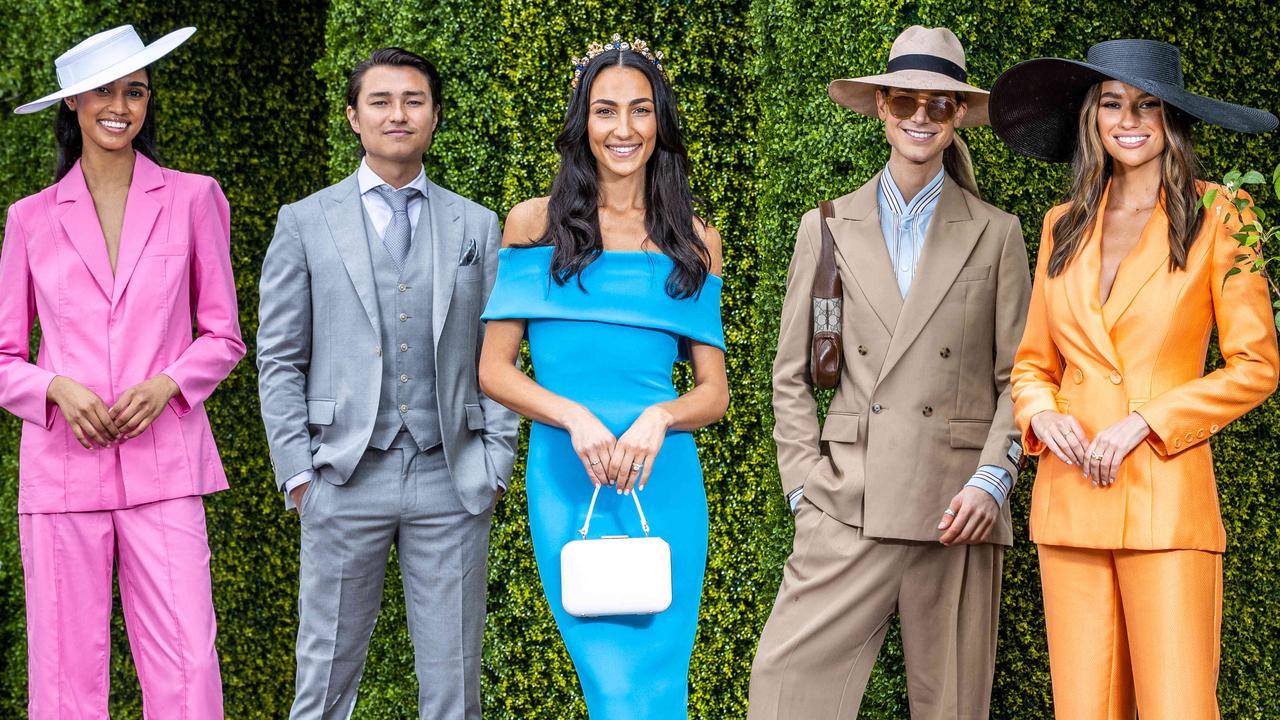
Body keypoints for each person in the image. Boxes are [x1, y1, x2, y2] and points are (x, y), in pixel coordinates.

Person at [749, 26, 1032, 719]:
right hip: (851, 500)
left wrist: (993, 482)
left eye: (939, 105)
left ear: (958, 116)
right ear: (881, 107)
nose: (920, 117)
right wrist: (804, 493)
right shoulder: (828, 226)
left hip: (956, 508)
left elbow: (1020, 377)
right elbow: (791, 374)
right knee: (782, 692)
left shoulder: (999, 233)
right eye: (906, 101)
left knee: (953, 708)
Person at [991, 39, 1279, 719]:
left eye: (1148, 105)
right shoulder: (1062, 225)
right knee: (1083, 710)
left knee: (1176, 707)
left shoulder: (1223, 214)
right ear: (1092, 116)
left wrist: (1146, 421)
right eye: (1114, 103)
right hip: (1070, 503)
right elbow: (1032, 363)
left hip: (1164, 496)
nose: (1130, 120)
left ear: (1171, 119)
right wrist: (1041, 414)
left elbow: (1257, 365)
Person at [256, 47, 518, 719]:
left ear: (433, 117)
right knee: (323, 678)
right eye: (380, 101)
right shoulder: (305, 221)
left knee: (455, 683)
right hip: (340, 474)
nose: (397, 114)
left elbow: (501, 352)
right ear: (353, 117)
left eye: (414, 101)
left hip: (449, 473)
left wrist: (494, 462)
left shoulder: (478, 226)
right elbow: (279, 357)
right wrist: (297, 473)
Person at [478, 35, 728, 719]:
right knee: (611, 690)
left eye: (640, 111)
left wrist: (660, 417)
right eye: (605, 110)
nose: (623, 130)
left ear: (660, 122)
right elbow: (494, 371)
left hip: (664, 482)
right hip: (567, 479)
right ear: (582, 122)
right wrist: (575, 417)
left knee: (660, 689)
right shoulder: (534, 224)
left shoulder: (694, 237)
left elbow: (714, 392)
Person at [0, 25, 245, 719]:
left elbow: (223, 334)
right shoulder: (29, 219)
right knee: (62, 674)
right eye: (104, 90)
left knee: (188, 668)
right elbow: (3, 355)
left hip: (164, 467)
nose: (121, 105)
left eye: (135, 90)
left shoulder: (196, 198)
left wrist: (169, 383)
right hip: (60, 469)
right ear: (72, 102)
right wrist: (53, 387)